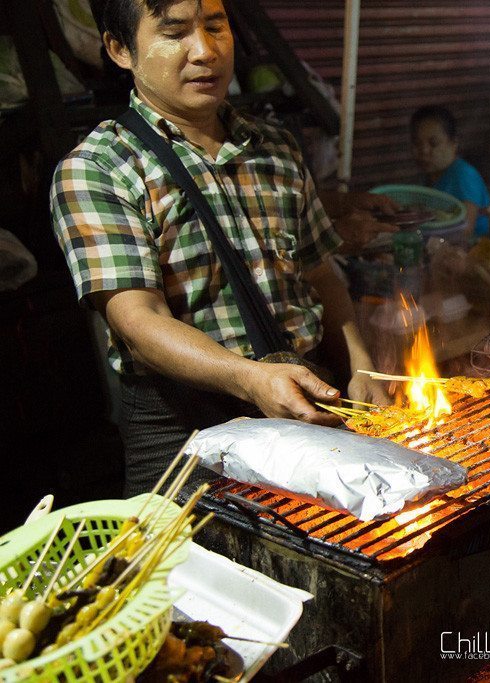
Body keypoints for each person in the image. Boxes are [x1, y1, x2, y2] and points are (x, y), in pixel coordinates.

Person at [50, 0, 389, 495]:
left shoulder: (277, 148)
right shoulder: (98, 167)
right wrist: (250, 379)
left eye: (215, 26)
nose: (205, 51)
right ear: (120, 49)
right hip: (186, 435)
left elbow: (320, 275)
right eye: (175, 33)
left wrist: (360, 364)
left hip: (306, 412)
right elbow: (139, 321)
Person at [410, 105, 490, 239]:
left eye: (433, 143)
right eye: (417, 143)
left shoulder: (464, 175)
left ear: (453, 144)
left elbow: (464, 231)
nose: (424, 151)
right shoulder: (427, 179)